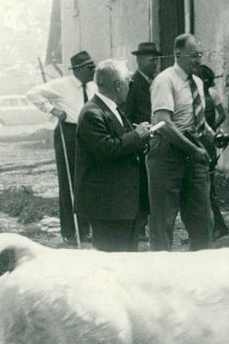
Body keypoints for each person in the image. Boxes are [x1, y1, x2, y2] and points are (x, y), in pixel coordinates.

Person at [74, 60, 151, 252]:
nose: (130, 86)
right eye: (128, 81)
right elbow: (105, 150)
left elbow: (122, 143)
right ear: (118, 85)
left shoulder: (113, 110)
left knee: (127, 261)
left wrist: (141, 138)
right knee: (110, 264)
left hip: (124, 203)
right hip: (108, 206)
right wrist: (136, 136)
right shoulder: (92, 113)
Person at [146, 33, 213, 251]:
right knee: (163, 220)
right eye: (194, 55)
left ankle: (199, 273)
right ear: (178, 54)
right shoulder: (165, 80)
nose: (198, 60)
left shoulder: (197, 82)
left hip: (192, 151)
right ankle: (161, 275)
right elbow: (163, 123)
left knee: (202, 218)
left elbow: (196, 120)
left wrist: (211, 135)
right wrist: (194, 149)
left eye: (200, 55)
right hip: (167, 152)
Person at [27, 51, 96, 244]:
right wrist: (52, 109)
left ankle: (86, 229)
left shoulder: (93, 86)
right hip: (68, 133)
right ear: (79, 69)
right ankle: (69, 232)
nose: (93, 70)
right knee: (69, 183)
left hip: (89, 132)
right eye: (90, 67)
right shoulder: (62, 85)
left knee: (87, 180)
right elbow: (32, 93)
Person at [123, 42, 161, 242]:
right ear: (138, 60)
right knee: (141, 184)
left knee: (153, 185)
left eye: (156, 58)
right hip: (141, 141)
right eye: (149, 58)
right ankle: (139, 226)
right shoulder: (133, 83)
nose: (154, 62)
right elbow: (126, 115)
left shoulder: (158, 82)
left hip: (158, 139)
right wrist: (138, 134)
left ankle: (147, 223)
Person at [197, 63, 229, 240]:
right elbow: (222, 114)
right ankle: (206, 229)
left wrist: (211, 131)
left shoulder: (209, 94)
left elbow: (221, 114)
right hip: (203, 141)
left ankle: (218, 226)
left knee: (206, 188)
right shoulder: (201, 95)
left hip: (204, 142)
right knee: (204, 188)